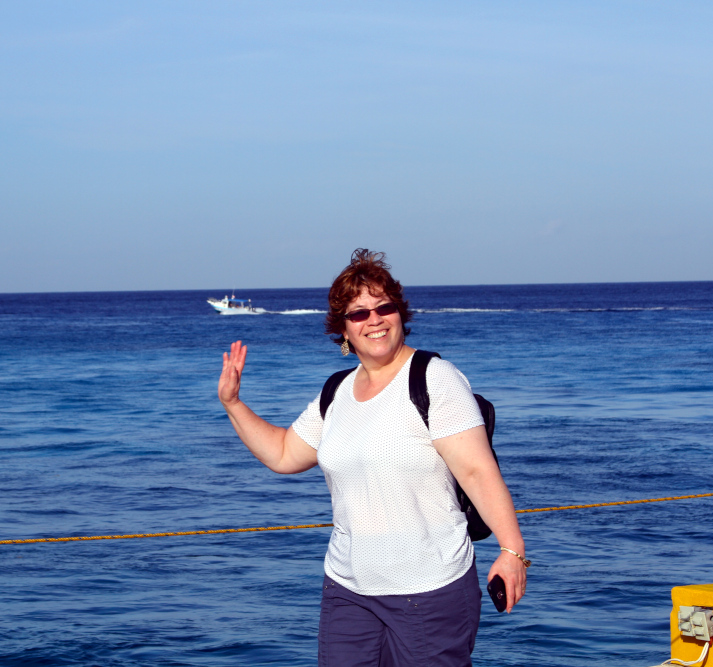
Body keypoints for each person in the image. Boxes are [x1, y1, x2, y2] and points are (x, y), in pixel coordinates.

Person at [217, 249, 527, 667]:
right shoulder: (337, 392)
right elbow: (285, 453)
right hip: (348, 591)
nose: (374, 320)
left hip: (429, 591)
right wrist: (233, 403)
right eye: (359, 313)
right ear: (343, 328)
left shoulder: (434, 378)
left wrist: (512, 551)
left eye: (384, 307)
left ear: (401, 313)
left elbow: (477, 471)